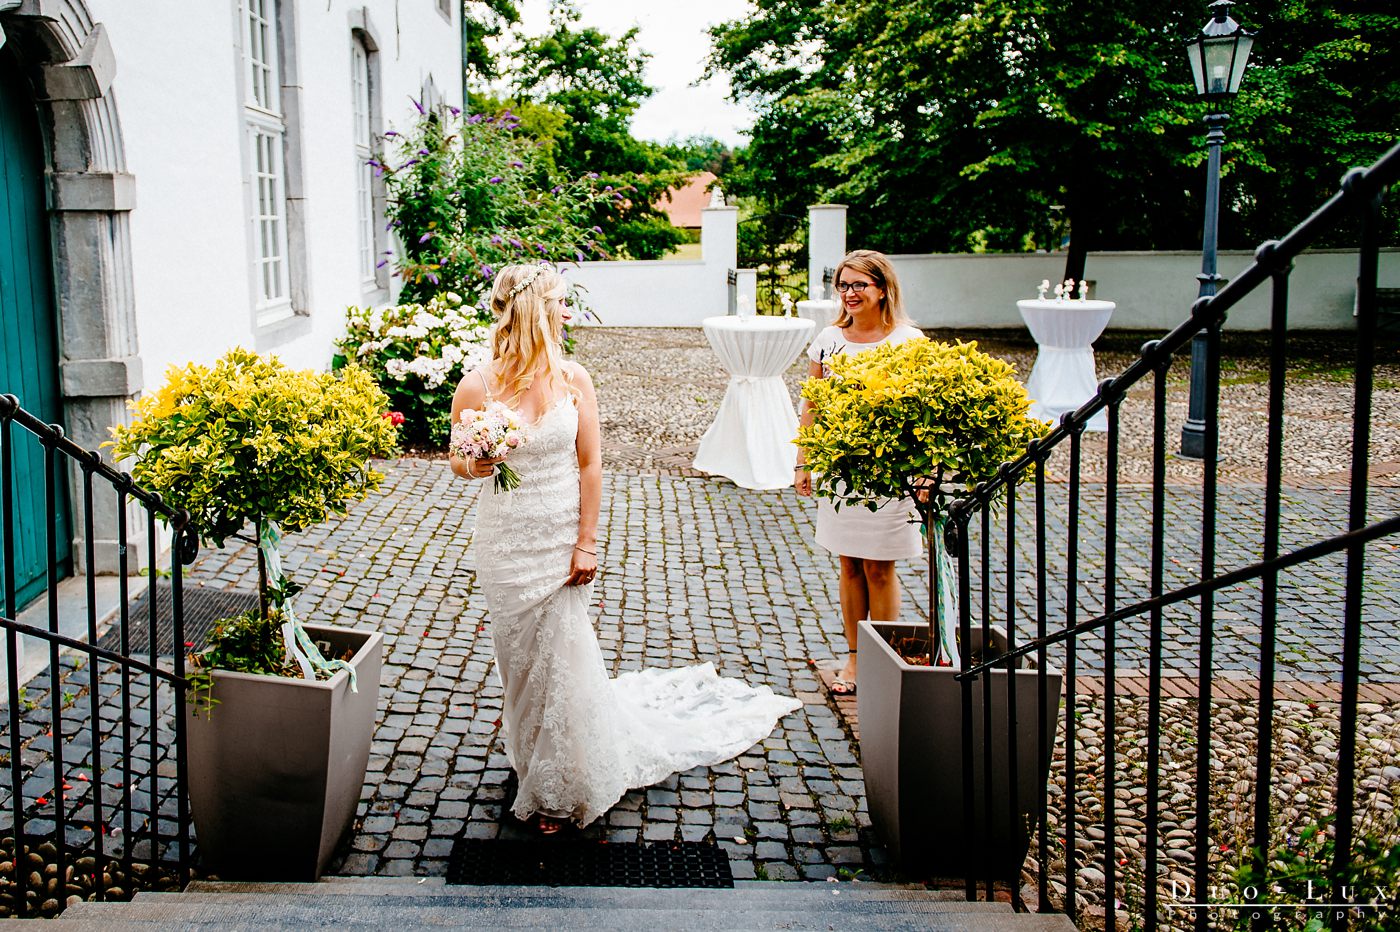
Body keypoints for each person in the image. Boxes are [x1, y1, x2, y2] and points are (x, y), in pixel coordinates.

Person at [450, 263, 801, 835]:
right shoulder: (478, 383)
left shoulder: (574, 379)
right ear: (534, 310)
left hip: (560, 535)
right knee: (519, 661)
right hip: (506, 541)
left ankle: (558, 786)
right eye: (560, 303)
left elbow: (590, 464)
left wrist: (586, 543)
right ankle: (530, 754)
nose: (567, 313)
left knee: (560, 659)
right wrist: (477, 462)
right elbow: (458, 460)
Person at [794, 250, 924, 695]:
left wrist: (926, 474)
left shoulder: (908, 341)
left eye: (859, 285)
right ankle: (853, 659)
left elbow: (920, 413)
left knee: (880, 569)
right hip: (840, 470)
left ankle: (884, 661)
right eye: (843, 285)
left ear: (883, 288)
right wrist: (804, 461)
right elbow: (811, 404)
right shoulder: (829, 339)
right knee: (849, 565)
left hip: (888, 472)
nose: (849, 293)